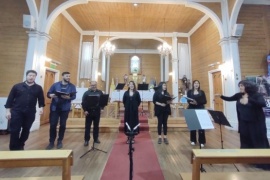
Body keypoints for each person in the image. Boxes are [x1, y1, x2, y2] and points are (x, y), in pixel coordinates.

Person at [219, 80, 269, 149]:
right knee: (245, 141)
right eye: (239, 86)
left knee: (256, 141)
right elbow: (230, 98)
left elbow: (262, 104)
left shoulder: (257, 95)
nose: (240, 87)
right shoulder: (239, 95)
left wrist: (249, 100)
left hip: (256, 124)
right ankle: (246, 156)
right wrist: (221, 96)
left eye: (242, 86)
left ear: (248, 86)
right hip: (243, 122)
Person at [5, 70, 45, 150]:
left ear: (35, 77)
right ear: (26, 76)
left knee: (26, 130)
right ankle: (13, 149)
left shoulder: (38, 88)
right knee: (15, 130)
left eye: (33, 76)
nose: (31, 77)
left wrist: (41, 108)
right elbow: (10, 99)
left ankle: (21, 144)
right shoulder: (17, 86)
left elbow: (41, 100)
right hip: (17, 112)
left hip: (30, 112)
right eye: (30, 75)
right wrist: (8, 111)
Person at [46, 72, 76, 150]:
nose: (68, 77)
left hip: (65, 108)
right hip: (55, 107)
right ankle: (51, 142)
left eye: (69, 76)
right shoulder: (55, 85)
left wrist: (68, 98)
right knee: (53, 125)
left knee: (62, 125)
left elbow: (74, 96)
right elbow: (48, 93)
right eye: (67, 76)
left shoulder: (72, 86)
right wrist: (50, 95)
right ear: (62, 76)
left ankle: (60, 140)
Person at [82, 81, 104, 146]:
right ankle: (86, 140)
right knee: (87, 126)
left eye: (94, 85)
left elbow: (103, 101)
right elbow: (83, 102)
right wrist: (85, 110)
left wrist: (102, 108)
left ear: (96, 85)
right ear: (90, 85)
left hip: (97, 111)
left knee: (96, 126)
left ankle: (96, 138)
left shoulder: (100, 92)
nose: (93, 86)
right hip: (89, 111)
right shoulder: (86, 93)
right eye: (92, 85)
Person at [186, 80, 207, 147]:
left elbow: (204, 101)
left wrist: (197, 102)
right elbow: (188, 100)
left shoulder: (202, 92)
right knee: (193, 125)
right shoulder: (189, 92)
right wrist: (191, 102)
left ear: (199, 84)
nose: (196, 84)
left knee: (201, 126)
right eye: (195, 83)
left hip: (200, 109)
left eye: (197, 83)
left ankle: (202, 141)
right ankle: (193, 140)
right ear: (193, 84)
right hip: (191, 108)